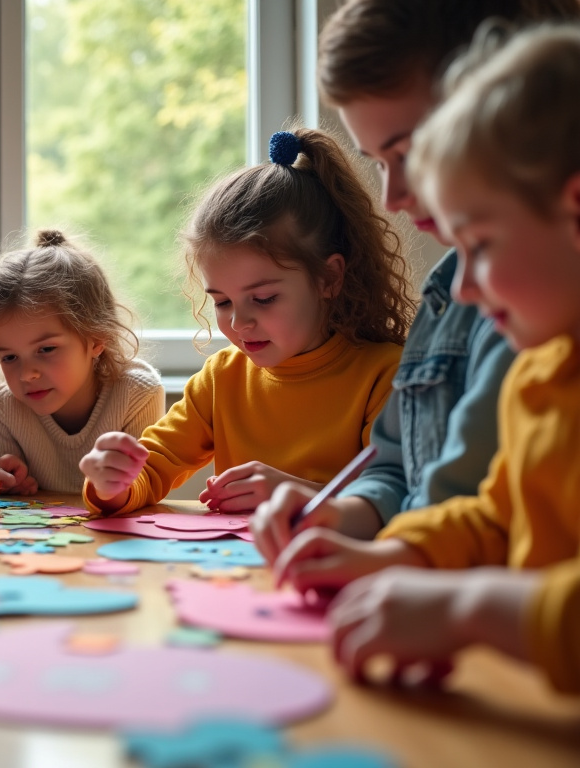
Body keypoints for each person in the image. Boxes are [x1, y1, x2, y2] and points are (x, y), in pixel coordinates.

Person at [269, 24, 580, 692]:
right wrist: (394, 556)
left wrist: (471, 609)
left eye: (483, 244)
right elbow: (492, 517)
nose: (464, 287)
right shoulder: (538, 371)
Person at [80, 129, 415, 516]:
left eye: (263, 298)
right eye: (221, 302)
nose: (239, 322)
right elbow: (150, 468)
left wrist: (296, 493)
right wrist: (113, 483)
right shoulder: (222, 378)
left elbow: (399, 500)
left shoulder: (385, 376)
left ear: (329, 279)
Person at [0, 229, 163, 495]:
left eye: (46, 349)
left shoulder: (137, 394)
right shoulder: (1, 411)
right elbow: (13, 513)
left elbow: (142, 491)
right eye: (9, 357)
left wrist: (115, 484)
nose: (27, 374)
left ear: (97, 338)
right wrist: (1, 482)